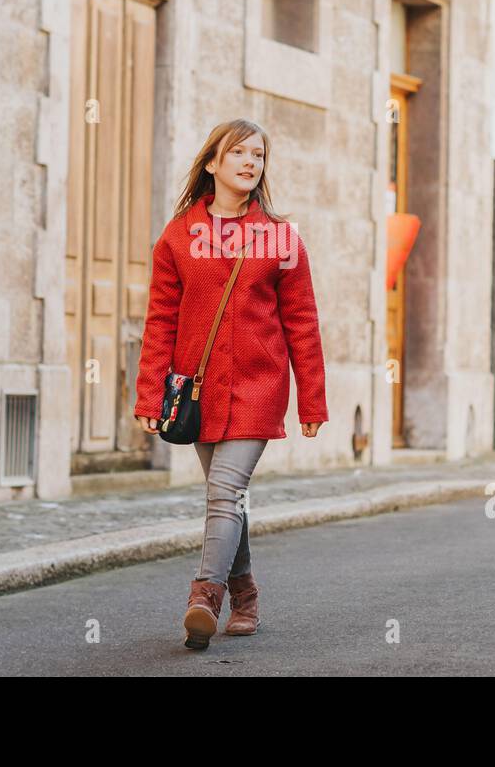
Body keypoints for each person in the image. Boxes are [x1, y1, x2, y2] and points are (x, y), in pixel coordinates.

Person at [133, 117, 328, 650]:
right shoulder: (177, 237)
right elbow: (160, 322)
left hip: (259, 387)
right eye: (238, 153)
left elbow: (303, 322)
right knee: (228, 498)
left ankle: (205, 598)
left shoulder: (281, 238)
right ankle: (246, 596)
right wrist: (150, 393)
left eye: (258, 155)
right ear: (213, 163)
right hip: (198, 393)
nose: (249, 162)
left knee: (224, 492)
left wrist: (312, 399)